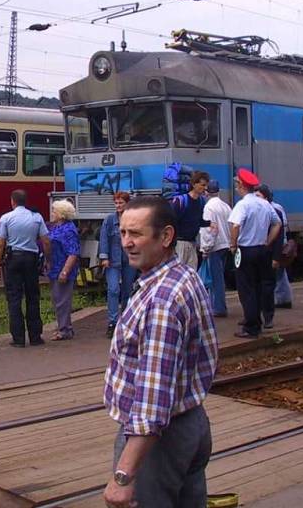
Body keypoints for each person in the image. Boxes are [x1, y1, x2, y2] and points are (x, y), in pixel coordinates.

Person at [103, 196, 218, 508]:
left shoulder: (161, 302)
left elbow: (152, 402)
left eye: (136, 234)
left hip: (158, 442)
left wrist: (123, 476)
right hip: (192, 422)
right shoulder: (184, 276)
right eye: (123, 233)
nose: (127, 242)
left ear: (166, 236)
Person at [0, 189, 51, 348]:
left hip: (13, 259)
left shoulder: (6, 218)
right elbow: (46, 241)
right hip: (31, 260)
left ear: (12, 201)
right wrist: (47, 260)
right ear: (25, 201)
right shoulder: (36, 217)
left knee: (14, 298)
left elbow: (0, 244)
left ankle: (18, 338)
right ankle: (35, 337)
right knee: (33, 297)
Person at [228, 169, 282, 338]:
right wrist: (268, 241)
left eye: (237, 184)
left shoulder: (243, 205)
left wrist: (233, 244)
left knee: (247, 289)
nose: (236, 187)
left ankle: (251, 327)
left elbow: (235, 225)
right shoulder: (265, 204)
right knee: (259, 287)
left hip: (246, 250)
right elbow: (277, 224)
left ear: (242, 186)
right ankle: (258, 320)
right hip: (262, 250)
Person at [99, 191, 137, 339]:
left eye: (121, 203)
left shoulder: (133, 220)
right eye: (116, 203)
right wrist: (104, 257)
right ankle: (112, 322)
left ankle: (126, 321)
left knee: (128, 291)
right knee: (113, 289)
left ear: (127, 203)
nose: (118, 205)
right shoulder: (109, 220)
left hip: (129, 260)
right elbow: (104, 239)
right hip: (113, 260)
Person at [255, 184, 293, 309]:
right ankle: (284, 298)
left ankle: (281, 299)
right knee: (280, 273)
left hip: (276, 243)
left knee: (277, 274)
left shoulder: (271, 209)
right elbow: (285, 225)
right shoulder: (278, 207)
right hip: (281, 242)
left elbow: (279, 226)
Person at [47, 200, 80, 341]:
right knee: (58, 299)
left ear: (61, 214)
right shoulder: (56, 227)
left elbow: (73, 253)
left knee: (63, 301)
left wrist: (65, 271)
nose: (52, 213)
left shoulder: (68, 230)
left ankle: (65, 330)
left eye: (54, 211)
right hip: (54, 268)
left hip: (62, 270)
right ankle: (64, 327)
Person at [199, 180, 232, 317]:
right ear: (218, 191)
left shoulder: (208, 208)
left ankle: (218, 307)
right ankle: (217, 305)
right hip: (225, 244)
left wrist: (206, 248)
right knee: (219, 277)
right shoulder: (226, 206)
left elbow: (209, 229)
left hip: (215, 246)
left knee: (215, 278)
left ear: (206, 192)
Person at [170, 171, 210, 270]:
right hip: (179, 243)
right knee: (178, 274)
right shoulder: (181, 201)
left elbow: (198, 221)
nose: (205, 188)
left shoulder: (201, 201)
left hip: (192, 243)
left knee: (191, 275)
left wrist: (209, 224)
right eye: (202, 185)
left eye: (206, 185)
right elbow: (171, 221)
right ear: (193, 184)